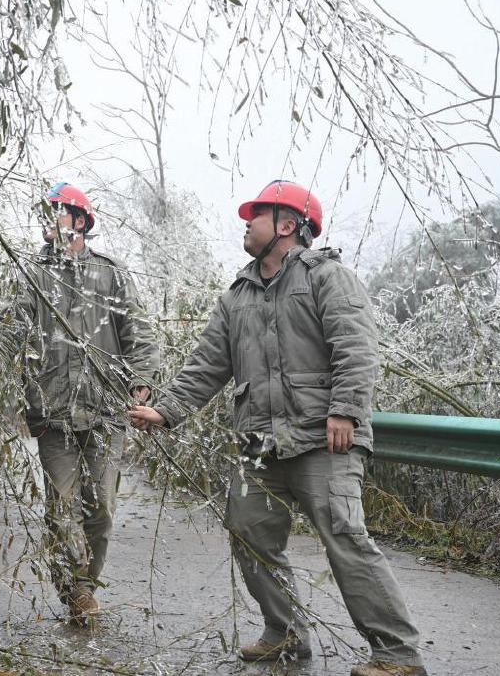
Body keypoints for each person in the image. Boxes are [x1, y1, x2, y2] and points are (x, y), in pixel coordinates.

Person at [127, 180, 427, 676]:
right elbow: (207, 366)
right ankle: (285, 636)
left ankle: (397, 653)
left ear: (287, 225)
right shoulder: (237, 296)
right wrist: (167, 411)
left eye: (257, 215)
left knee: (345, 538)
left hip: (324, 437)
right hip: (259, 445)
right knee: (249, 534)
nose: (247, 222)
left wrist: (347, 409)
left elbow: (356, 347)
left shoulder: (328, 277)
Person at [0, 182, 160, 620]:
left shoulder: (111, 273)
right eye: (45, 212)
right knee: (61, 505)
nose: (47, 219)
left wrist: (142, 382)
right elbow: (11, 327)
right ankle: (75, 591)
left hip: (107, 413)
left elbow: (140, 335)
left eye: (55, 211)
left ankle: (87, 581)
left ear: (79, 220)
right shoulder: (33, 273)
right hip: (52, 412)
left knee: (102, 509)